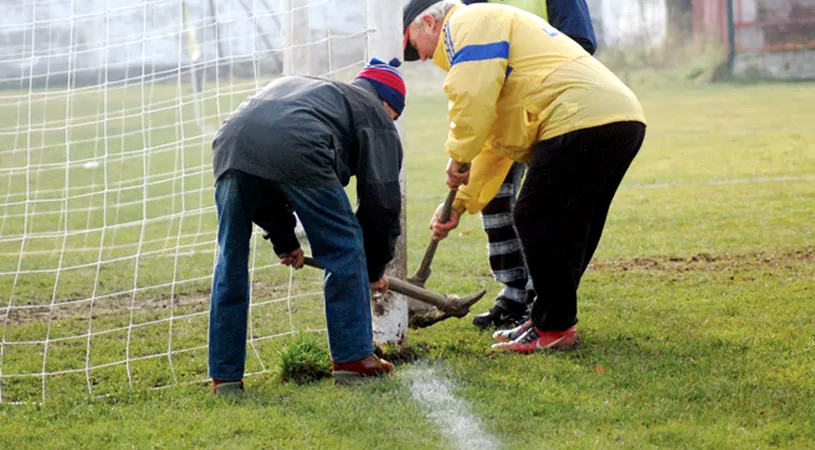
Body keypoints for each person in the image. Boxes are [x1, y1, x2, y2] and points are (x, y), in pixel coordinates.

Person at [402, 0, 646, 352]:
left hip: (578, 115)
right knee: (574, 225)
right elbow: (493, 144)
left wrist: (458, 154)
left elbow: (471, 98)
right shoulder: (486, 41)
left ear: (428, 21)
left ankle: (555, 327)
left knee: (534, 216)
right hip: (618, 117)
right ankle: (548, 318)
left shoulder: (469, 22)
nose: (422, 58)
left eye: (414, 46)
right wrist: (461, 204)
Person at [208, 58, 406, 394]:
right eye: (394, 118)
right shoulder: (374, 113)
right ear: (387, 104)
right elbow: (381, 204)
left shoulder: (321, 93)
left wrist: (285, 240)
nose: (391, 125)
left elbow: (265, 171)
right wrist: (371, 270)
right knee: (343, 246)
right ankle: (353, 359)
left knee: (231, 259)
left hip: (230, 142)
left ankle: (224, 376)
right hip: (299, 142)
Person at [459, 0, 598, 329]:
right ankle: (513, 295)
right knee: (493, 199)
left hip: (550, 106)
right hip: (499, 107)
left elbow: (581, 41)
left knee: (541, 206)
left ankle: (541, 298)